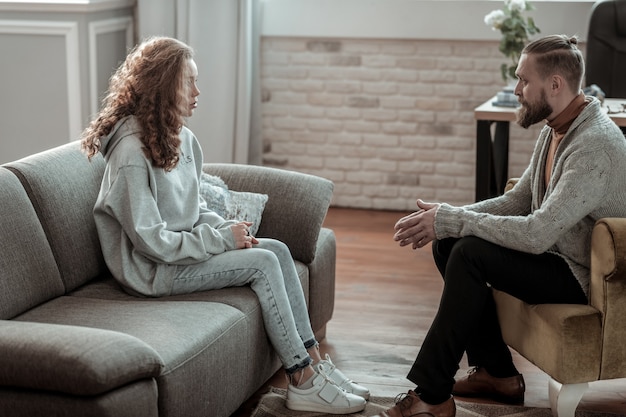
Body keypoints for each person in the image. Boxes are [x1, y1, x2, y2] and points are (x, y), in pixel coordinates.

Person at [80, 36, 369, 414]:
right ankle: (300, 379)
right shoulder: (130, 154)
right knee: (263, 264)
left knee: (276, 249)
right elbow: (152, 242)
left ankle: (314, 363)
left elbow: (195, 207)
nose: (198, 91)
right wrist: (220, 240)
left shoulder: (183, 138)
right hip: (152, 271)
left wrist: (232, 231)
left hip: (179, 254)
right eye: (189, 82)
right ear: (163, 87)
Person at [378, 34, 626, 417]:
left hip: (584, 275)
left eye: (524, 80)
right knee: (449, 243)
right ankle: (497, 374)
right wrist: (448, 216)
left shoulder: (594, 145)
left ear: (555, 85)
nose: (517, 90)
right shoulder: (556, 127)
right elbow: (517, 201)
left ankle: (432, 393)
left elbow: (538, 232)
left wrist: (454, 220)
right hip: (557, 254)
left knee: (469, 252)